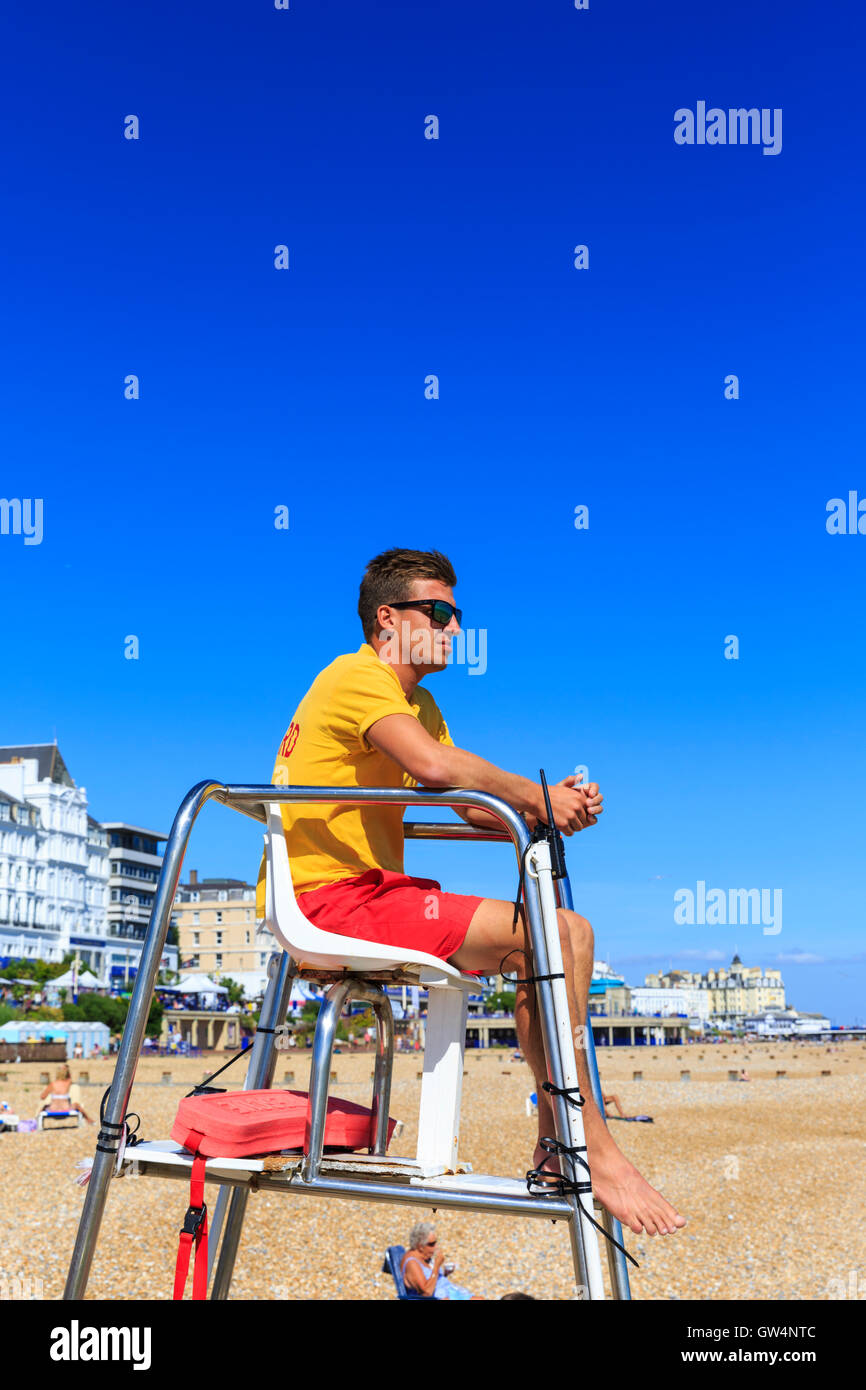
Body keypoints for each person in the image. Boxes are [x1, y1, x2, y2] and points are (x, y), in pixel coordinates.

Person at [255, 548, 685, 1239]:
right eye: (441, 613)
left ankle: (559, 1140)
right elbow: (434, 765)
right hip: (332, 899)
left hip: (376, 894)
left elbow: (467, 803)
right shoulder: (356, 675)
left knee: (557, 936)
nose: (455, 629)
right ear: (388, 620)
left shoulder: (417, 702)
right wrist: (530, 793)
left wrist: (548, 805)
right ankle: (589, 1145)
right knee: (564, 936)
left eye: (456, 616)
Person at [400, 1222, 482, 1300]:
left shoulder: (423, 1257)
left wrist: (444, 1273)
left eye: (436, 1243)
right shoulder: (412, 1264)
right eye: (432, 1244)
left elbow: (432, 1281)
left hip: (447, 1293)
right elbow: (426, 1292)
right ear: (420, 1246)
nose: (436, 1247)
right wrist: (436, 1266)